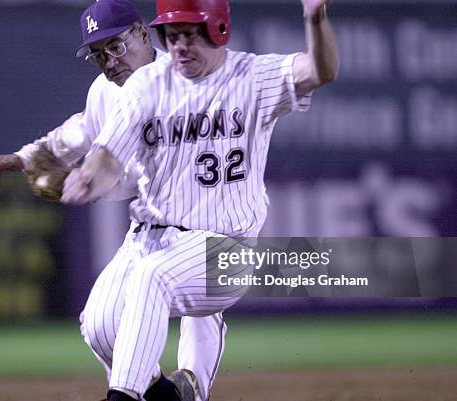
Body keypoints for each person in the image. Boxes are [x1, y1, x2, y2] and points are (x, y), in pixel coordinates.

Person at [61, 0, 339, 400]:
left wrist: (315, 17)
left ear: (219, 30)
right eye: (172, 36)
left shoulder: (252, 77)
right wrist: (89, 177)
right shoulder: (146, 85)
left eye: (190, 34)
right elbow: (109, 154)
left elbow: (320, 70)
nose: (179, 46)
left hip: (225, 248)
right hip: (149, 238)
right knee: (100, 326)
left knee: (152, 278)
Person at [0, 1, 227, 401]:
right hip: (150, 228)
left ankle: (192, 381)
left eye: (116, 46)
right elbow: (81, 131)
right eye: (98, 53)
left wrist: (88, 181)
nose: (108, 60)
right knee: (100, 327)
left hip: (209, 225)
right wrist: (23, 158)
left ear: (143, 35)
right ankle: (169, 397)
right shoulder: (105, 91)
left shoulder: (188, 79)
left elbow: (151, 170)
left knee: (195, 307)